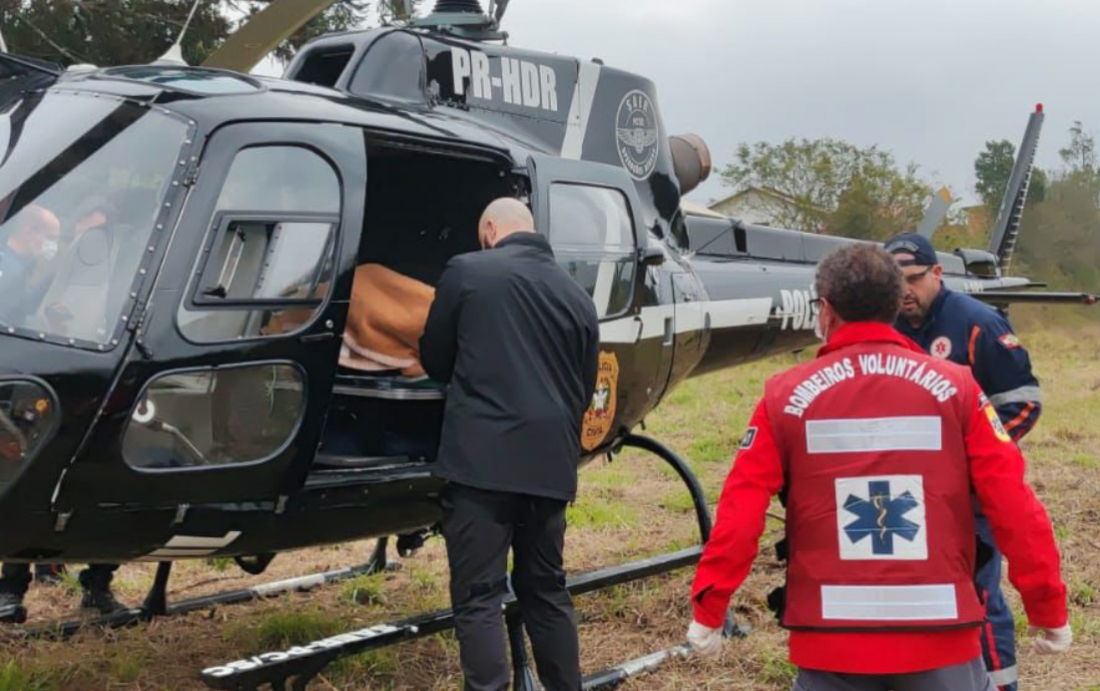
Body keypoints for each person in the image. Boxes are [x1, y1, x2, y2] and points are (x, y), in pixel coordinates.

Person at [686, 244, 1070, 691]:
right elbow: (1014, 505)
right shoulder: (958, 388)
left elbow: (740, 512)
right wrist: (1048, 608)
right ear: (895, 303)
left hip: (830, 646)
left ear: (825, 310)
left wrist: (708, 609)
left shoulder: (782, 396)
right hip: (942, 637)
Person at [419, 197, 600, 691]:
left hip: (482, 469)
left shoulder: (468, 271)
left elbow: (434, 359)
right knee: (546, 592)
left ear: (492, 229)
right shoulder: (576, 296)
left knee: (479, 597)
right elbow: (583, 391)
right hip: (550, 470)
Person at [886, 231, 1040, 690]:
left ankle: (999, 683)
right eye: (895, 284)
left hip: (968, 493)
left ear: (937, 273)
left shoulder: (977, 323)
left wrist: (969, 461)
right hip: (905, 494)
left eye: (914, 279)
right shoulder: (885, 326)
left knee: (980, 594)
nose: (905, 292)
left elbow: (1025, 402)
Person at [0, 203, 61, 324]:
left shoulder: (18, 266)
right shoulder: (11, 274)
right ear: (29, 233)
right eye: (50, 238)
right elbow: (8, 323)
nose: (54, 247)